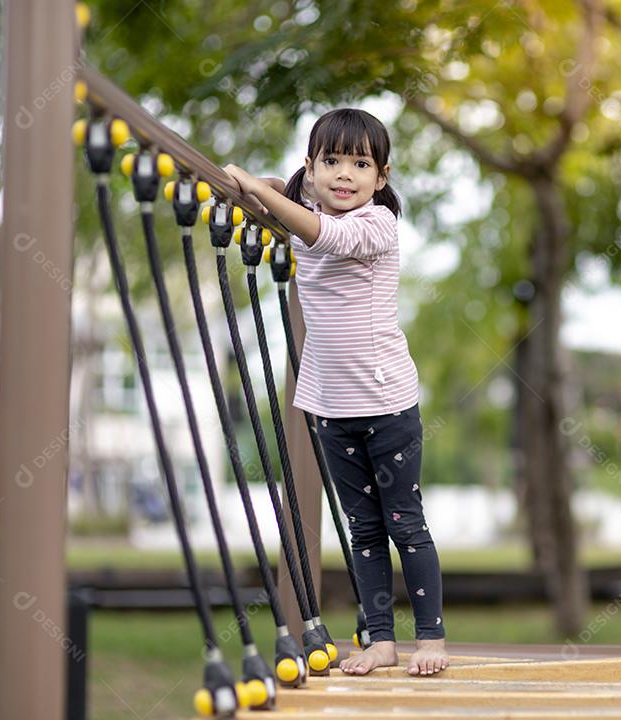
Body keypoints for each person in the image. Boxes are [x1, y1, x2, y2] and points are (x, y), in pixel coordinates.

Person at [223, 108, 448, 677]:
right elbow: (291, 198)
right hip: (328, 405)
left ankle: (430, 639)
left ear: (382, 176)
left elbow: (321, 233)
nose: (344, 175)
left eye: (360, 164)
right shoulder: (309, 199)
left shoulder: (374, 226)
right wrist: (270, 186)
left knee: (404, 522)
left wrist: (258, 187)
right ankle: (380, 640)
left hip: (386, 402)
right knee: (363, 529)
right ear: (311, 166)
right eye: (331, 162)